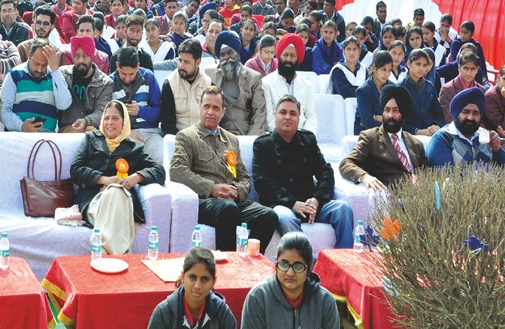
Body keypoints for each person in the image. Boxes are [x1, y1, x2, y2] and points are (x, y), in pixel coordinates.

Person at [170, 86, 278, 251]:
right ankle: (228, 265)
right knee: (228, 209)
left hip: (232, 202)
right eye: (206, 106)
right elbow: (177, 170)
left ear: (223, 112)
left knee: (269, 216)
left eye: (215, 108)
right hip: (206, 202)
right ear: (200, 107)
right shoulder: (187, 136)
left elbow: (244, 178)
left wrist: (236, 191)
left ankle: (250, 262)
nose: (210, 112)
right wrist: (211, 188)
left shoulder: (232, 140)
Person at [253, 95, 354, 248]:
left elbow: (325, 172)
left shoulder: (308, 140)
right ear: (275, 115)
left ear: (299, 118)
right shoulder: (263, 144)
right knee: (284, 217)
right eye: (283, 112)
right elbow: (262, 181)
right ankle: (302, 263)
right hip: (281, 205)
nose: (287, 117)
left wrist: (317, 198)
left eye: (293, 113)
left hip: (310, 203)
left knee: (343, 209)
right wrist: (292, 203)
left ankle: (343, 261)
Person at [70, 100, 164, 254]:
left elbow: (159, 171)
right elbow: (75, 170)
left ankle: (105, 256)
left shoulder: (135, 147)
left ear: (124, 122)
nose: (110, 123)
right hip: (94, 200)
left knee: (116, 192)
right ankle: (119, 258)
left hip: (122, 200)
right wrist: (104, 180)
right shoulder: (91, 139)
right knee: (114, 190)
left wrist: (137, 177)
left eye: (115, 118)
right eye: (106, 118)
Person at [340, 85, 426, 189]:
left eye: (396, 110)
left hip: (420, 198)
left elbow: (427, 173)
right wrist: (364, 176)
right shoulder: (370, 137)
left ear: (403, 113)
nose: (390, 115)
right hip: (390, 198)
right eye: (387, 110)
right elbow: (346, 164)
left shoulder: (416, 144)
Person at [0, 38, 71, 132]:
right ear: (29, 55)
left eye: (44, 65)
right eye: (36, 64)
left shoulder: (54, 76)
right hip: (18, 135)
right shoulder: (14, 74)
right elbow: (3, 110)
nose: (39, 70)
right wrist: (21, 126)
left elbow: (64, 105)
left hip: (46, 138)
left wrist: (55, 70)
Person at [205, 31, 267, 136]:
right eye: (222, 55)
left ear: (237, 53)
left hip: (245, 132)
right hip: (217, 133)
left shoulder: (253, 77)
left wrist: (250, 139)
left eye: (230, 53)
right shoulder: (209, 74)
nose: (227, 58)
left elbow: (259, 112)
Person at [426, 87, 505, 168]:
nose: (470, 117)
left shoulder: (484, 136)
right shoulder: (442, 138)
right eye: (465, 112)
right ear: (456, 114)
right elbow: (445, 177)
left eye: (475, 113)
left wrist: (497, 149)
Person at [110, 47, 163, 163]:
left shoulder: (148, 77)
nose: (128, 78)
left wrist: (140, 111)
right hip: (122, 136)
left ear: (138, 66)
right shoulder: (109, 83)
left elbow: (160, 113)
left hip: (150, 134)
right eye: (124, 74)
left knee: (162, 162)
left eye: (131, 74)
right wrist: (125, 132)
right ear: (117, 66)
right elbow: (106, 119)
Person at [262, 34, 317, 133]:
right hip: (277, 137)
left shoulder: (306, 85)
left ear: (297, 59)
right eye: (285, 55)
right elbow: (269, 119)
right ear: (279, 56)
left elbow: (311, 116)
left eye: (292, 56)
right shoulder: (266, 83)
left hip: (302, 139)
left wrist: (307, 137)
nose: (288, 59)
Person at [58, 35, 113, 132]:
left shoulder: (105, 83)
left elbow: (102, 111)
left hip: (92, 130)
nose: (81, 61)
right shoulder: (63, 75)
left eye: (85, 56)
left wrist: (86, 121)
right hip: (66, 130)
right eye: (77, 56)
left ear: (92, 56)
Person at [160, 39, 212, 135]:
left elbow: (212, 120)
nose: (181, 65)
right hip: (177, 138)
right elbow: (167, 124)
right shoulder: (170, 83)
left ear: (198, 62)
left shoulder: (208, 84)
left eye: (187, 62)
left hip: (203, 137)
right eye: (180, 60)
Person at [399, 49, 445, 136]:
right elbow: (399, 119)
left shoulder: (429, 86)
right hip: (409, 136)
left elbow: (438, 113)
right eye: (418, 64)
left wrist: (437, 126)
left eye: (424, 65)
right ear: (409, 64)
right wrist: (416, 131)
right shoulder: (400, 87)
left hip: (431, 133)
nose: (421, 68)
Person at [438, 52, 485, 124]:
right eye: (466, 68)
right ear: (459, 68)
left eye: (472, 69)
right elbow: (448, 118)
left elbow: (483, 117)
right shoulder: (447, 89)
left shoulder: (481, 90)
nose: (469, 73)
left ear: (477, 70)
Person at [355, 51, 393, 134]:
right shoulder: (363, 90)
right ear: (374, 68)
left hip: (391, 132)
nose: (386, 74)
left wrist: (377, 117)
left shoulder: (392, 88)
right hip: (367, 133)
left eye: (389, 70)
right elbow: (367, 121)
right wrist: (388, 125)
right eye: (383, 70)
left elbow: (397, 116)